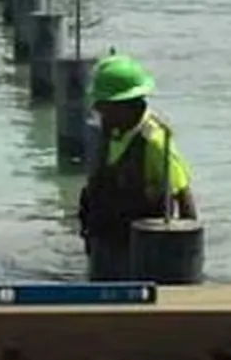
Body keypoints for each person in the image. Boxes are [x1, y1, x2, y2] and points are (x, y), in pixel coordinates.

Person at [77, 52, 197, 281]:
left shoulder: (155, 142)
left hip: (139, 255)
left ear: (127, 105)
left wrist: (184, 265)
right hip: (104, 247)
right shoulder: (108, 133)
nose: (100, 112)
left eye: (105, 106)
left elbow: (184, 198)